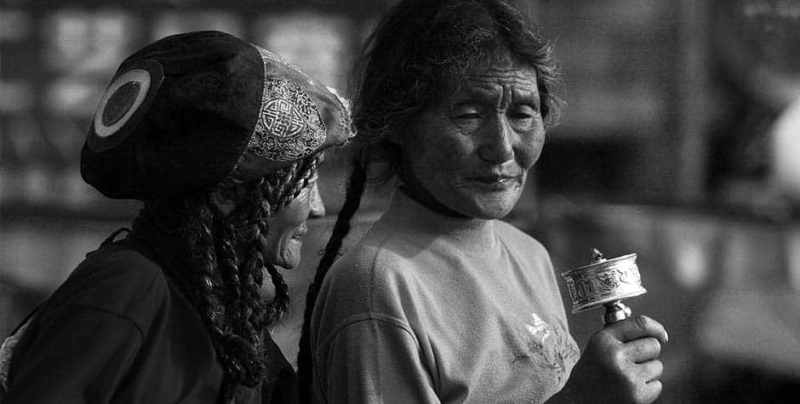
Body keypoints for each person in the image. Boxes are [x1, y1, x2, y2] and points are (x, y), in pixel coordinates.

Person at [297, 0, 668, 403]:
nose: (502, 147)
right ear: (398, 123)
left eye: (523, 114)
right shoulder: (378, 288)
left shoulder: (529, 255)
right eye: (469, 114)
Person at [0, 30, 353, 403]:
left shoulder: (221, 308)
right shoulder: (127, 287)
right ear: (230, 193)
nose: (317, 208)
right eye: (304, 183)